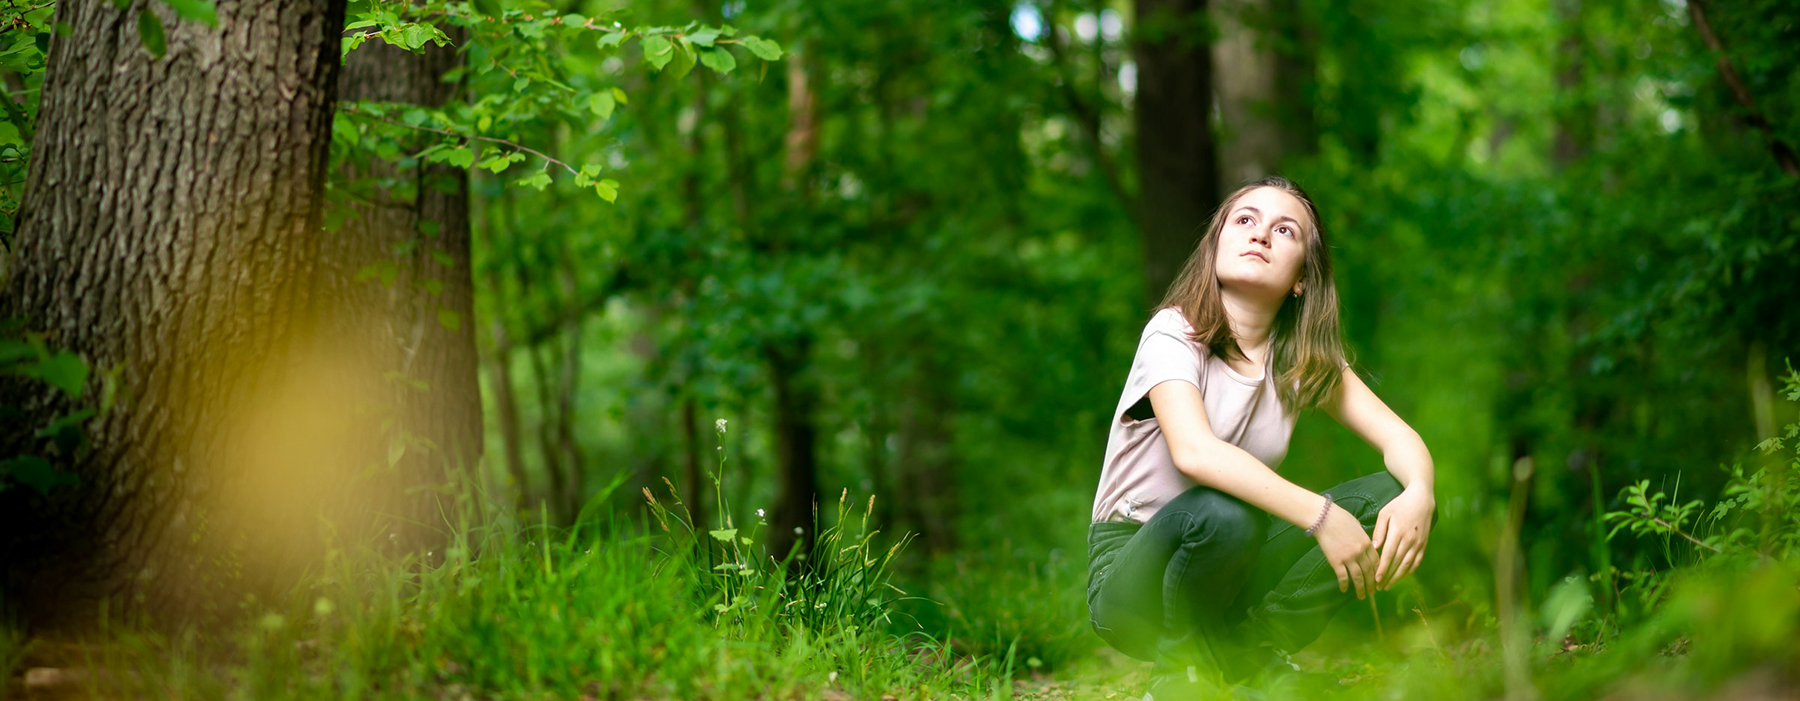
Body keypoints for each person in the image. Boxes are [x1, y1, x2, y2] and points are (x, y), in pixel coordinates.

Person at [1087, 176, 1437, 699]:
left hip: (1236, 562)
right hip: (1132, 576)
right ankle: (1178, 675)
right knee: (1223, 511)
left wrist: (1422, 494)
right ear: (1217, 245)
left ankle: (1249, 651)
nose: (1261, 235)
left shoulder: (1300, 359)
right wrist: (1322, 516)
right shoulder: (1172, 333)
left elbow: (1398, 438)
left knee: (1392, 496)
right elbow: (1196, 454)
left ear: (1301, 278)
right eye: (1245, 220)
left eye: (1285, 230)